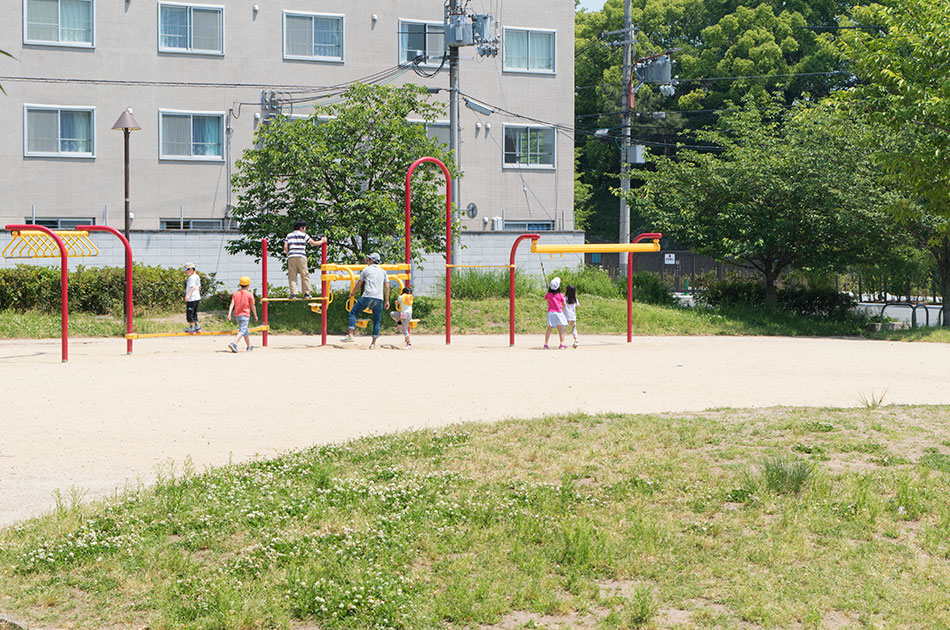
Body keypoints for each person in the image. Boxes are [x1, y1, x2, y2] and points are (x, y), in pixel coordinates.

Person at [342, 252, 390, 349]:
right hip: (379, 298)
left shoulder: (366, 270)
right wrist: (387, 300)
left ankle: (350, 334)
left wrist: (352, 293)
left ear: (372, 260)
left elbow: (359, 284)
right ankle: (373, 344)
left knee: (353, 312)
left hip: (367, 296)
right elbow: (387, 286)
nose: (367, 261)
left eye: (368, 259)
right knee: (377, 321)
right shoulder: (383, 271)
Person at [283, 220, 327, 298]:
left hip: (291, 257)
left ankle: (293, 293)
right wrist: (322, 241)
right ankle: (306, 293)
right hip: (301, 257)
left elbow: (285, 247)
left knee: (292, 276)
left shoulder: (289, 235)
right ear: (301, 228)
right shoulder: (304, 235)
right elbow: (313, 243)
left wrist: (288, 253)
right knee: (304, 275)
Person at [227, 276, 258, 353]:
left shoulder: (235, 294)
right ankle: (234, 343)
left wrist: (229, 314)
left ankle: (249, 346)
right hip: (245, 315)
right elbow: (252, 306)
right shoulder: (250, 294)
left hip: (237, 315)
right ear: (248, 285)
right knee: (242, 330)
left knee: (245, 330)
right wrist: (255, 315)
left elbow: (232, 304)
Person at [544, 276, 567, 349]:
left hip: (550, 313)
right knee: (560, 329)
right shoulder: (560, 295)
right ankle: (562, 344)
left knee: (549, 329)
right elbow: (564, 304)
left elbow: (548, 301)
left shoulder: (548, 294)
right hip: (558, 313)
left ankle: (546, 344)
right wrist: (561, 306)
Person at [183, 262, 201, 333]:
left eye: (186, 270)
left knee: (189, 313)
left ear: (190, 269)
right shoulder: (197, 276)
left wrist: (188, 295)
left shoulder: (191, 278)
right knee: (194, 313)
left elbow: (192, 287)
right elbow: (198, 287)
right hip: (197, 298)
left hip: (192, 299)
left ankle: (191, 328)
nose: (186, 272)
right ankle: (197, 327)